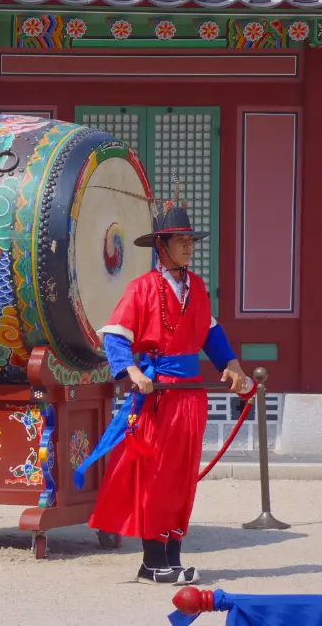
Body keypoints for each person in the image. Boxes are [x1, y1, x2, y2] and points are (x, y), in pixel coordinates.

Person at [73, 196, 251, 586]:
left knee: (183, 478)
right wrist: (133, 370)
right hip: (157, 397)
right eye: (179, 239)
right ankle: (153, 560)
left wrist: (232, 367)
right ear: (161, 245)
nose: (188, 246)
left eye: (191, 239)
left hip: (191, 397)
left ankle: (172, 557)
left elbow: (211, 333)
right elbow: (116, 335)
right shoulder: (141, 289)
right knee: (156, 476)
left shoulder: (198, 287)